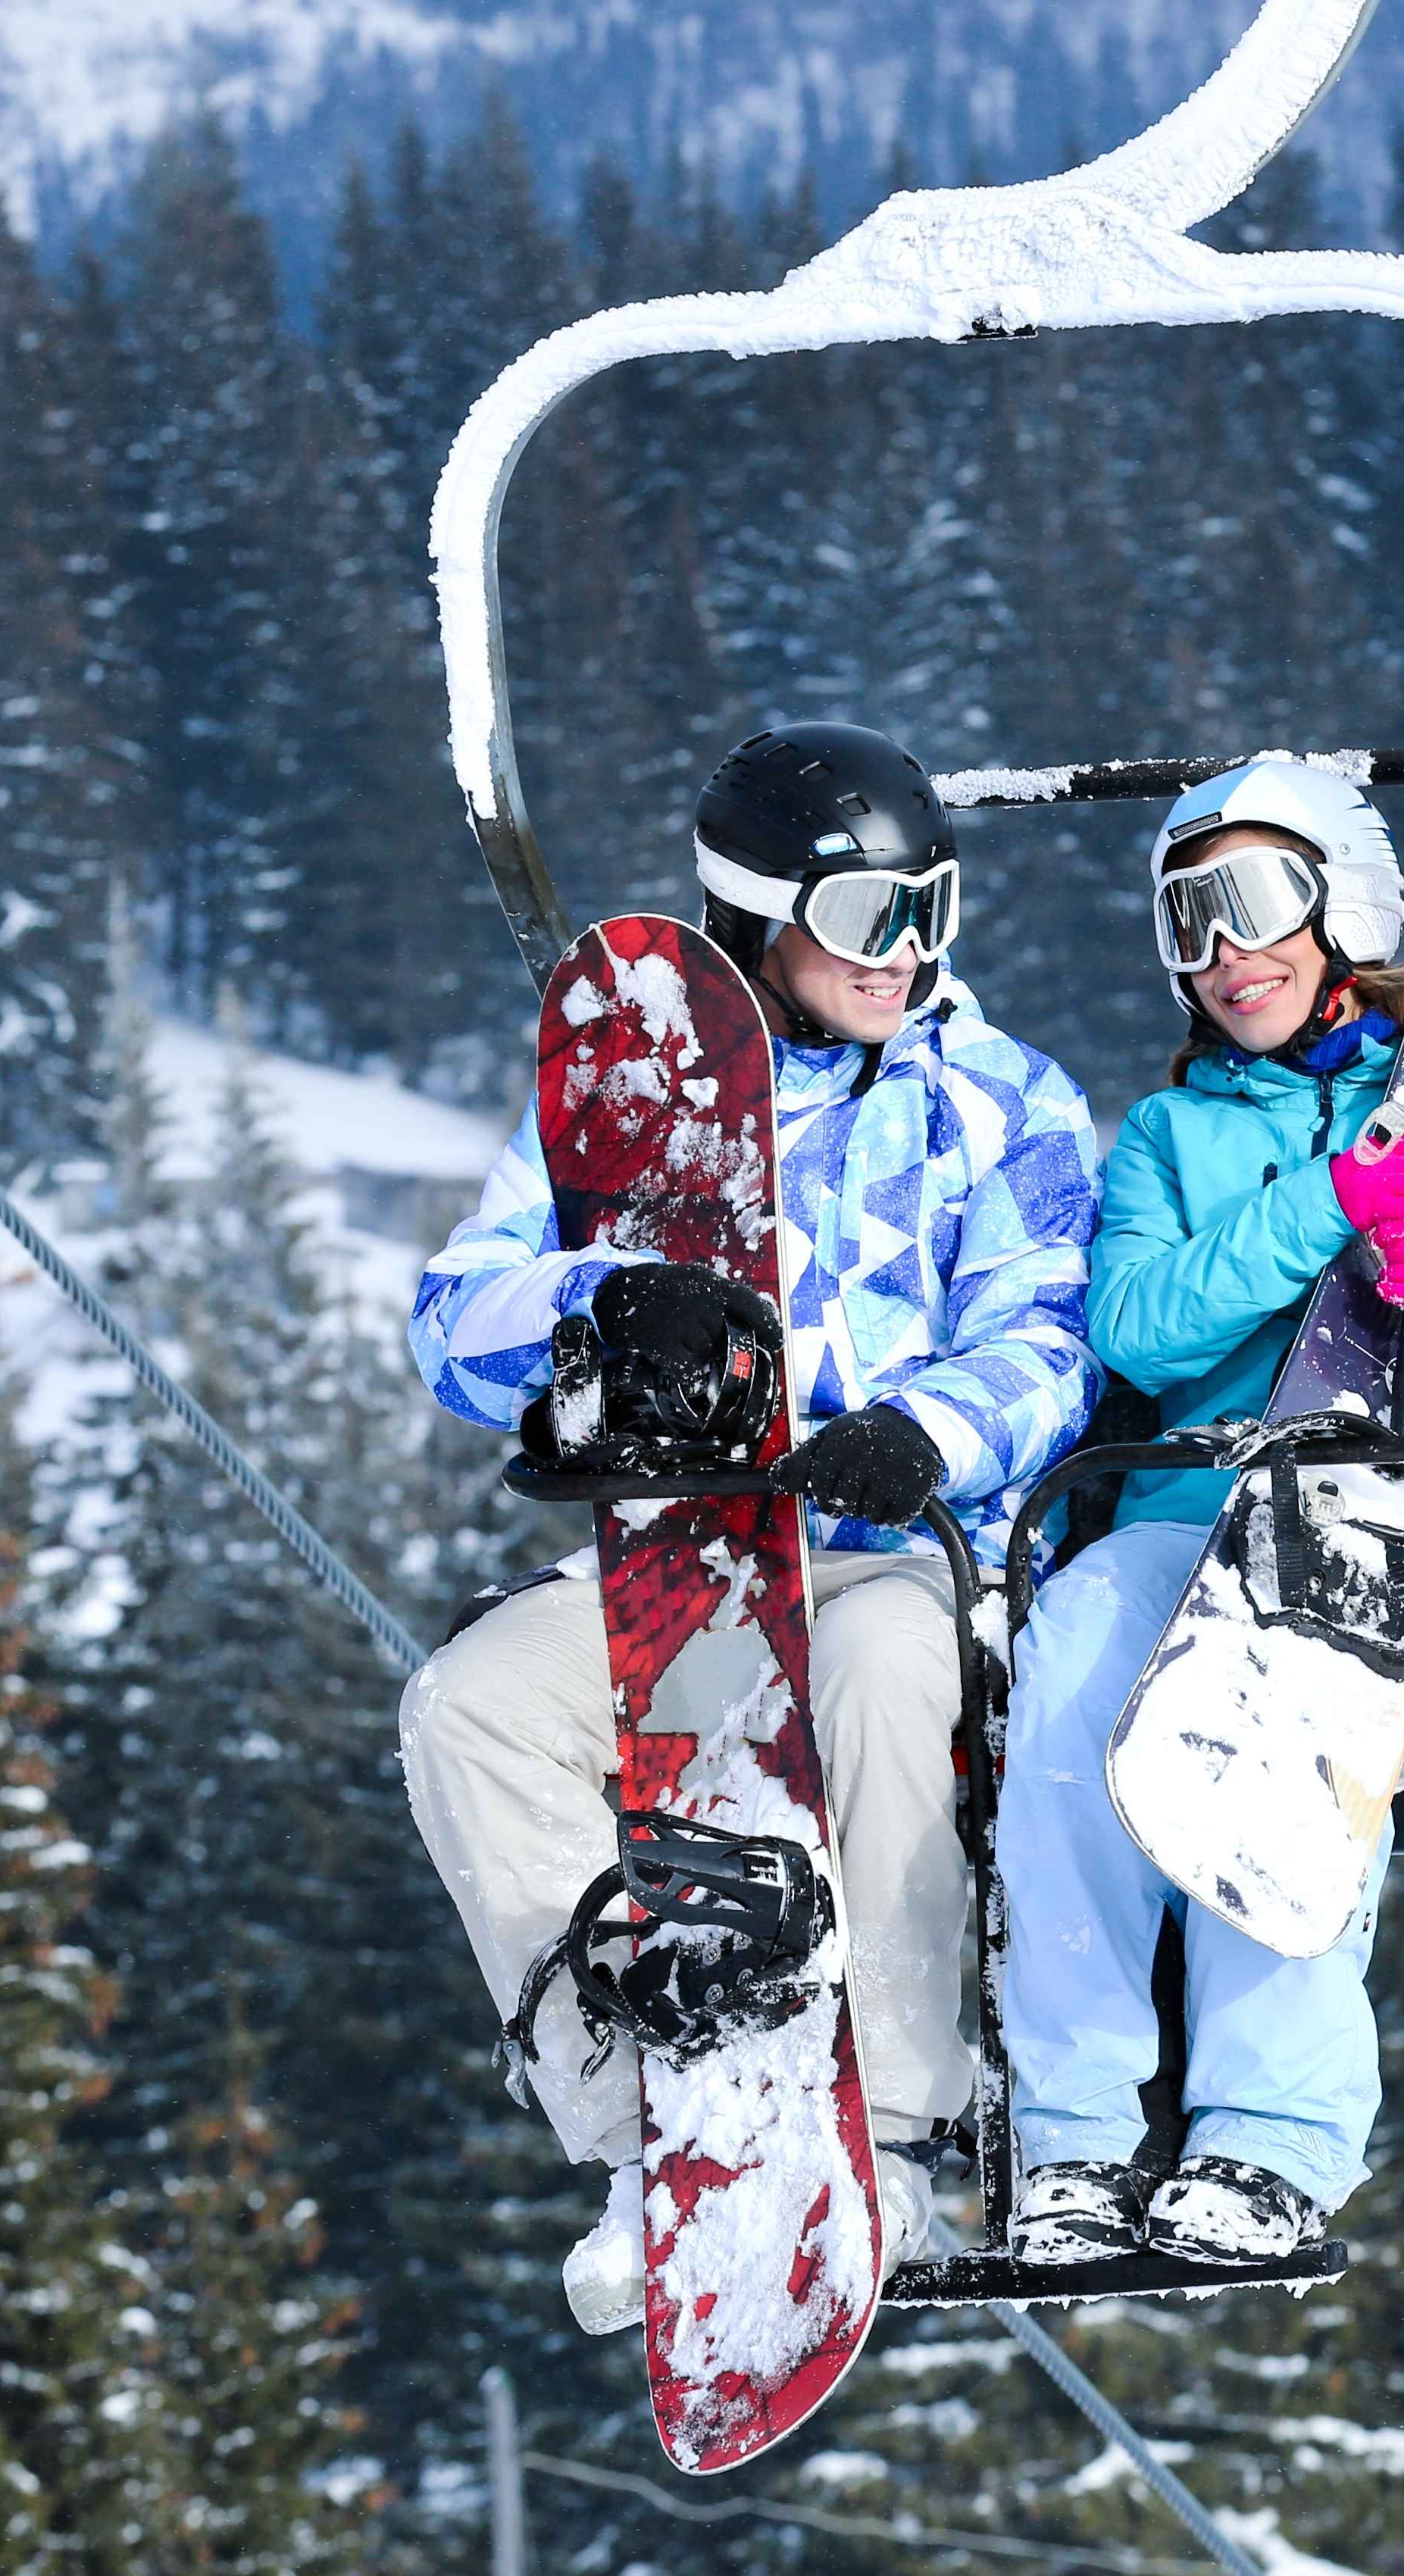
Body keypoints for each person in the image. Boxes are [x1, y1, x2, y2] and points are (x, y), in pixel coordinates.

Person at [402, 721, 1101, 2334]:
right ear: (754, 912)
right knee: (473, 1710)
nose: (908, 955)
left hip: (907, 1548)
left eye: (935, 907)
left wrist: (919, 1432)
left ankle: (904, 2127)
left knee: (877, 1688)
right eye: (871, 919)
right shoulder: (632, 1111)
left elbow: (1050, 1340)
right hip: (688, 1557)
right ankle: (642, 2124)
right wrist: (602, 1301)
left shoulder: (998, 1103)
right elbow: (454, 1317)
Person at [995, 757, 1404, 2268]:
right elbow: (1140, 1327)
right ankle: (1077, 2135)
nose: (1228, 955)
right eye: (1189, 922)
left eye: (1257, 904)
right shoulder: (1170, 1142)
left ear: (1341, 903)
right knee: (1077, 1658)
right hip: (1187, 1509)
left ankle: (1270, 2134)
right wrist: (1326, 1210)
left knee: (1301, 1661)